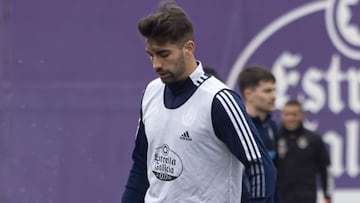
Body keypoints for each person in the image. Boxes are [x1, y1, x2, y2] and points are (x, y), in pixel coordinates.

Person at [121, 1, 277, 202]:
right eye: (151, 55)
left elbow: (260, 166)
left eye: (164, 54)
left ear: (189, 48)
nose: (156, 64)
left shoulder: (219, 99)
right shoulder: (151, 92)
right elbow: (141, 166)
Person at [277, 99, 333, 203]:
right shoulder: (275, 138)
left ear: (302, 115)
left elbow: (326, 170)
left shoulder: (314, 139)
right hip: (280, 199)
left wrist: (328, 197)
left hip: (307, 199)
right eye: (287, 114)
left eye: (294, 114)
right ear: (282, 115)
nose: (290, 118)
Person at [238, 66, 279, 202]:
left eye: (274, 90)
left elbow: (274, 172)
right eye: (267, 91)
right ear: (248, 94)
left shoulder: (272, 127)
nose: (273, 96)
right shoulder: (238, 127)